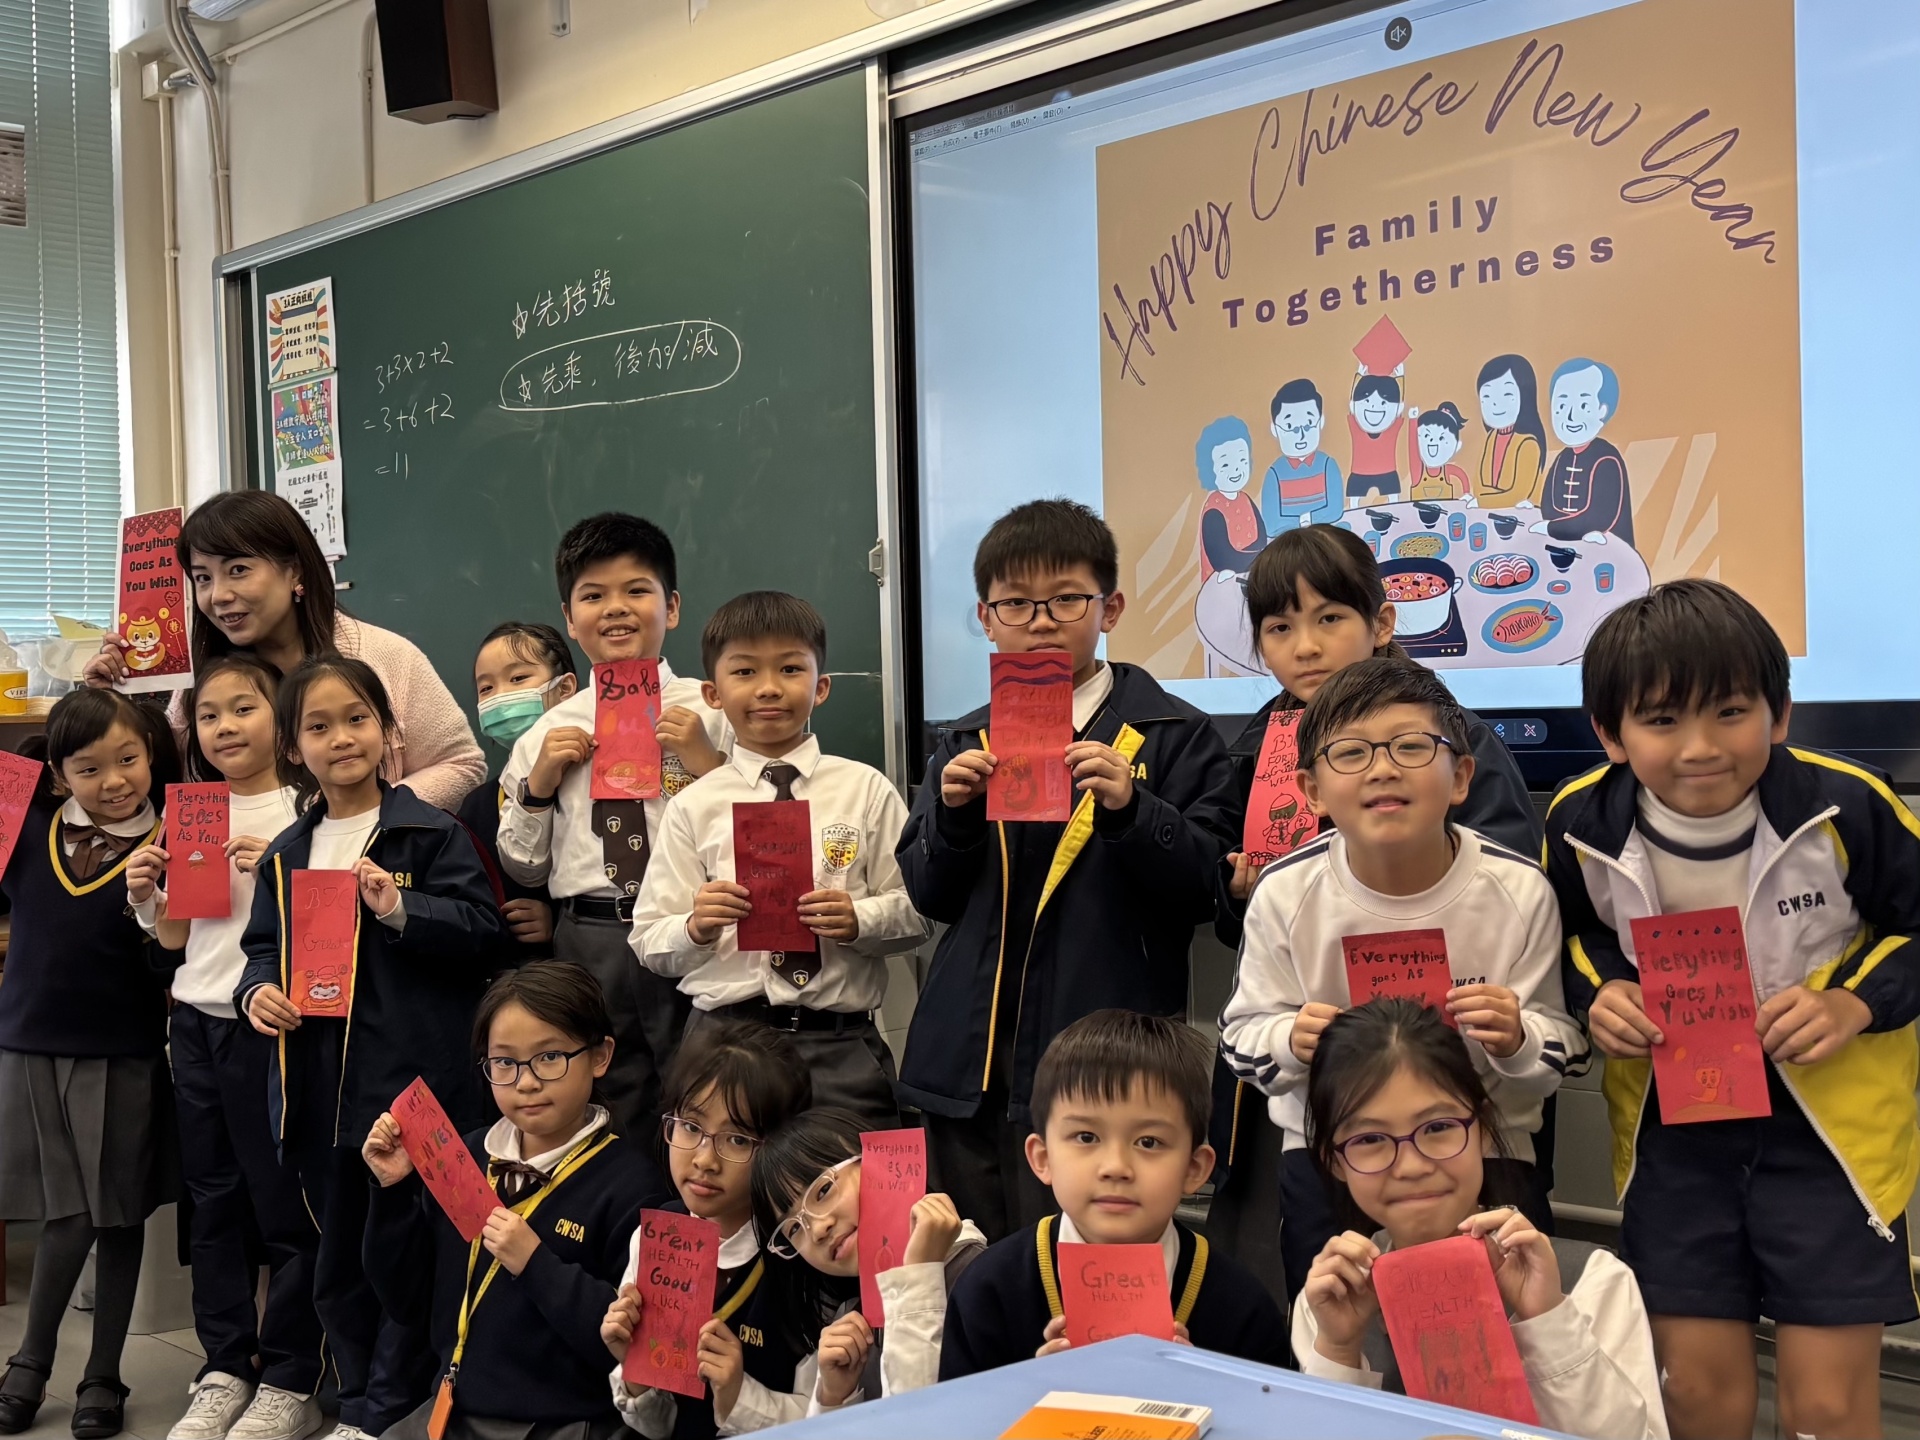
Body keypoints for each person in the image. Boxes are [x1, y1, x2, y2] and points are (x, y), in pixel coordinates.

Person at [1545, 579, 1920, 1440]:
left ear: (1779, 714)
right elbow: (1562, 939)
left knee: (1826, 1409)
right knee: (1694, 1398)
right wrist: (1601, 994)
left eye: (1731, 712)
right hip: (1677, 1127)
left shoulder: (1848, 805)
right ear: (1611, 734)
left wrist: (1854, 1005)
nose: (1701, 747)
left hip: (1829, 1138)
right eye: (1662, 720)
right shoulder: (1579, 822)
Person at [1205, 525, 1541, 1300]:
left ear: (1381, 623)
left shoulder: (1453, 738)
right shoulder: (1256, 746)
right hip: (1313, 1092)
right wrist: (1236, 888)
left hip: (1452, 1086)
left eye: (1329, 618)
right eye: (1279, 628)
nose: (1306, 646)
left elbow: (1508, 878)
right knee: (1330, 1293)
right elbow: (1226, 915)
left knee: (1469, 1303)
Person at [896, 499, 1237, 1242]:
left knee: (1084, 1276)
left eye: (1066, 600)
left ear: (1109, 608)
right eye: (1016, 604)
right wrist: (953, 817)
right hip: (968, 1067)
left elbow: (1209, 889)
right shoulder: (963, 738)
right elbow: (928, 895)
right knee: (970, 1269)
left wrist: (1133, 810)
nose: (1041, 621)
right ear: (986, 619)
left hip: (1103, 1074)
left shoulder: (1175, 734)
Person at [237, 655, 506, 1440]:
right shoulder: (287, 851)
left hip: (413, 1085)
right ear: (293, 747)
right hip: (321, 1088)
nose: (341, 738)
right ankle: (356, 1399)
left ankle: (391, 1407)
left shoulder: (430, 832)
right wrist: (258, 992)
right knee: (339, 1259)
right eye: (318, 726)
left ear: (389, 731)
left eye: (357, 719)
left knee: (408, 1254)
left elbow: (483, 934)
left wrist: (400, 910)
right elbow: (262, 949)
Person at [1294, 1000, 1666, 1438]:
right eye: (1370, 1138)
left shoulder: (1592, 1280)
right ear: (1334, 1161)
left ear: (1484, 1128)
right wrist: (1338, 1352)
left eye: (1438, 1128)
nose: (1411, 1166)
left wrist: (1548, 1320)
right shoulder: (1331, 1299)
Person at [124, 656, 324, 1440]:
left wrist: (280, 865)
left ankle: (292, 1376)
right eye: (209, 715)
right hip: (197, 1024)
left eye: (245, 708)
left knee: (283, 1203)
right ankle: (224, 1367)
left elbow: (329, 931)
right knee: (212, 1203)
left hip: (271, 1026)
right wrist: (148, 895)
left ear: (283, 719)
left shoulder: (308, 807)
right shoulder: (193, 808)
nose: (226, 727)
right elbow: (178, 937)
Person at [631, 592, 925, 1125]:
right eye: (744, 671)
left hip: (840, 1047)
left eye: (790, 668)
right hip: (724, 1045)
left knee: (859, 1176)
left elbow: (919, 912)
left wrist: (861, 919)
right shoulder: (694, 805)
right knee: (722, 1176)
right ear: (712, 693)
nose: (768, 687)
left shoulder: (866, 789)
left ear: (821, 686)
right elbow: (649, 940)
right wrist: (696, 927)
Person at [361, 962, 671, 1440]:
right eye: (504, 1063)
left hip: (567, 1424)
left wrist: (535, 1263)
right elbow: (406, 1304)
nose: (526, 1082)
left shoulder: (633, 1187)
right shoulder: (464, 1156)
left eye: (550, 1057)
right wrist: (393, 1193)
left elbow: (630, 1350)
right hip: (451, 1410)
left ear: (600, 1056)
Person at [498, 514, 732, 1146]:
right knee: (607, 1099)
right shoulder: (544, 732)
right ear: (570, 619)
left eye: (636, 590)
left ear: (672, 607)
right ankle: (620, 1209)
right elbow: (523, 868)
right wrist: (538, 787)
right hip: (591, 937)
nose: (616, 608)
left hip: (697, 927)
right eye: (594, 595)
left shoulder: (717, 709)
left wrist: (709, 766)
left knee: (710, 1096)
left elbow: (763, 837)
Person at [0, 689, 181, 1440]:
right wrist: (87, 681)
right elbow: (8, 774)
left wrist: (152, 904)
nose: (114, 780)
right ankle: (56, 1368)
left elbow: (171, 960)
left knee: (114, 1209)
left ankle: (74, 1371)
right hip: (28, 1043)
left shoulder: (178, 838)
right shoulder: (28, 827)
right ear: (57, 773)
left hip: (121, 1048)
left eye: (129, 758)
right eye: (88, 767)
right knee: (69, 1209)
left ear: (152, 754)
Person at [937, 1010, 1287, 1377]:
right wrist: (1030, 1392)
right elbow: (954, 1411)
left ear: (1194, 1169)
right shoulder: (989, 1292)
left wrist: (1205, 1392)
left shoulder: (1242, 1309)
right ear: (1043, 1158)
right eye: (1086, 1137)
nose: (1116, 1166)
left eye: (1149, 1142)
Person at [84, 491, 485, 809]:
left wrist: (364, 817)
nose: (218, 595)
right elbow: (163, 783)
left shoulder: (386, 657)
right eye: (203, 578)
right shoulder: (203, 679)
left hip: (367, 875)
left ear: (294, 570)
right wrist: (114, 702)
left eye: (238, 570)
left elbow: (462, 766)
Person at [602, 1021, 813, 1439]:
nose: (704, 1160)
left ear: (780, 1147)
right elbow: (657, 1428)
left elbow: (834, 1414)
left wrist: (739, 1395)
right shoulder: (657, 1238)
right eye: (691, 1127)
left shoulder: (803, 1255)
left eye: (737, 1140)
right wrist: (636, 1369)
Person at [748, 1109, 986, 1415]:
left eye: (824, 1190)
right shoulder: (848, 1323)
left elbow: (921, 1424)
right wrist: (833, 1398)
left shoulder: (980, 1273)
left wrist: (916, 1276)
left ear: (878, 1161)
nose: (817, 1230)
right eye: (793, 1228)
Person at [464, 621, 580, 964]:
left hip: (587, 964)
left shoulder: (600, 783)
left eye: (518, 679)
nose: (501, 696)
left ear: (565, 688)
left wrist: (560, 920)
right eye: (486, 688)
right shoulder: (478, 805)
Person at [1534, 357, 1633, 546]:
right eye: (1561, 406)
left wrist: (1551, 528)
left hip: (1609, 549)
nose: (1570, 417)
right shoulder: (1563, 457)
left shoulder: (1607, 458)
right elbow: (1548, 506)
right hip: (1565, 545)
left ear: (1602, 410)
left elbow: (1598, 518)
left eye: (1583, 406)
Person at [1260, 379, 1343, 531]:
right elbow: (1272, 524)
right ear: (1275, 429)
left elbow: (1335, 510)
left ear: (1320, 422)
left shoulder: (1328, 465)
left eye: (1309, 424)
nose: (1301, 435)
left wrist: (1304, 519)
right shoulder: (1274, 474)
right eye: (1290, 427)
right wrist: (1307, 520)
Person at [1195, 416, 1266, 579]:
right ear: (1210, 469)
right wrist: (1258, 559)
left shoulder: (1245, 498)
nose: (1236, 470)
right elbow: (1222, 559)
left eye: (1242, 460)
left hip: (1252, 572)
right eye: (1225, 465)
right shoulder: (1213, 509)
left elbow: (1261, 536)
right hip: (1224, 578)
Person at [1472, 354, 1545, 508]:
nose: (1495, 403)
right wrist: (1490, 498)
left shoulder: (1528, 443)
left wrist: (1482, 501)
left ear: (1524, 397)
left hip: (1523, 517)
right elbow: (1478, 488)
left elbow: (1517, 496)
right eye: (1487, 396)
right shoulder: (1490, 437)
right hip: (1491, 515)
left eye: (1507, 394)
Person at [1344, 365, 1408, 505]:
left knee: (1393, 499)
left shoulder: (1392, 430)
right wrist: (1358, 377)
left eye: (1383, 402)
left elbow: (1399, 410)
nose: (1373, 407)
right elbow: (1352, 409)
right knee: (1354, 502)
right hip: (1359, 473)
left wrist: (1400, 378)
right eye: (1367, 401)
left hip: (1388, 472)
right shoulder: (1356, 428)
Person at [1407, 402, 1471, 501]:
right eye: (1426, 436)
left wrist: (1466, 493)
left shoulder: (1446, 471)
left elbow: (1461, 475)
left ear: (1457, 446)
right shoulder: (1418, 472)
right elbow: (1413, 449)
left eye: (1441, 438)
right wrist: (1412, 420)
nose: (1432, 440)